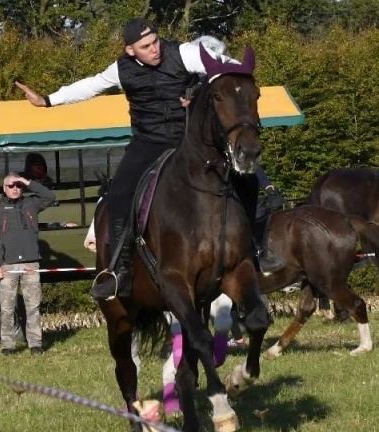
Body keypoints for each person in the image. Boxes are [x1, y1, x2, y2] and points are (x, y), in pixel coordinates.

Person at [15, 19, 284, 300]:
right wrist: (47, 100)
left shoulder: (183, 53)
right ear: (130, 50)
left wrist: (197, 91)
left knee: (247, 179)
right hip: (148, 142)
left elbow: (229, 68)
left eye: (155, 41)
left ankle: (256, 250)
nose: (155, 49)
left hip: (188, 141)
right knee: (119, 194)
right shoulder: (121, 69)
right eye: (146, 46)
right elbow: (91, 86)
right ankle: (119, 269)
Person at [0, 172, 57, 353]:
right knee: (7, 308)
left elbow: (50, 196)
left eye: (19, 186)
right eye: (11, 185)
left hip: (31, 264)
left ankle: (35, 344)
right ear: (4, 188)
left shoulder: (31, 203)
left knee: (33, 306)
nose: (15, 189)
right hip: (7, 266)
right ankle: (8, 345)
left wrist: (27, 181)